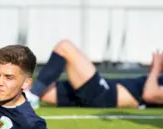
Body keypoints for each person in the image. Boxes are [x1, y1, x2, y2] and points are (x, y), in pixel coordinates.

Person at [25, 39, 163, 109]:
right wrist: (154, 70)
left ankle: (32, 97)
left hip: (105, 95)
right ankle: (28, 96)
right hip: (105, 91)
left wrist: (156, 66)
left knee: (64, 47)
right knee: (42, 91)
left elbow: (150, 94)